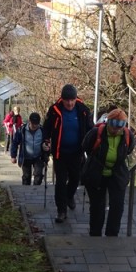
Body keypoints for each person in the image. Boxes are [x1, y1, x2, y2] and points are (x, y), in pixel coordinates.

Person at [42, 84, 93, 224]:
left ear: (76, 99)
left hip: (77, 152)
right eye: (67, 100)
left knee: (76, 178)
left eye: (72, 100)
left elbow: (91, 129)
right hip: (60, 153)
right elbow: (46, 128)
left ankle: (69, 196)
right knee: (60, 182)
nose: (70, 103)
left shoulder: (83, 110)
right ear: (62, 99)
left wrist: (92, 144)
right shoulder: (54, 110)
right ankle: (61, 211)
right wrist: (46, 141)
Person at [80, 108, 136, 237]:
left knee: (117, 205)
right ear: (108, 123)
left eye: (120, 126)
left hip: (117, 175)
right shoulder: (96, 133)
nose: (116, 129)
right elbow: (85, 146)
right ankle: (95, 233)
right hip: (96, 174)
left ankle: (112, 234)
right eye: (113, 125)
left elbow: (129, 149)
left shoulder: (127, 136)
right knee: (97, 207)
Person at [10, 112, 50, 186]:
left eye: (36, 124)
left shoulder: (42, 130)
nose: (35, 126)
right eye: (33, 123)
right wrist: (13, 156)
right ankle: (26, 193)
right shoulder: (22, 130)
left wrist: (46, 146)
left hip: (38, 156)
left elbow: (47, 141)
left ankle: (36, 191)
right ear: (29, 121)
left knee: (38, 176)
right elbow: (15, 143)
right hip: (26, 157)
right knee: (26, 177)